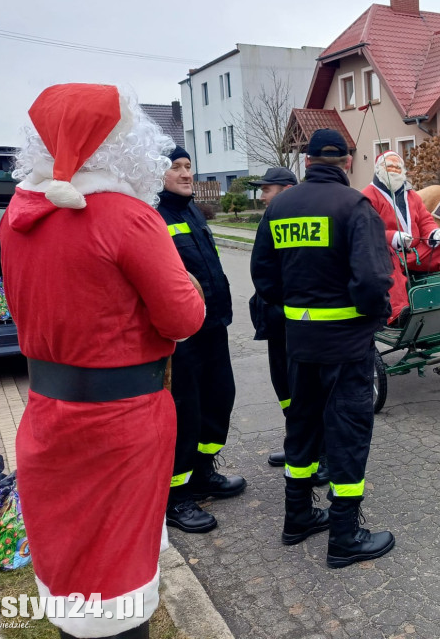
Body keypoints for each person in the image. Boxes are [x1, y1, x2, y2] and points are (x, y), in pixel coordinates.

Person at [0, 83, 206, 639]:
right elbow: (184, 318)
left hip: (47, 415)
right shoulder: (129, 218)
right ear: (122, 143)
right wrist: (189, 285)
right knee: (117, 581)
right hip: (121, 424)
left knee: (72, 569)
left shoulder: (19, 216)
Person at [250, 128, 396, 568]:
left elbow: (264, 277)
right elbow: (372, 282)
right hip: (347, 346)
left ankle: (297, 518)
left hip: (299, 345)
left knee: (303, 429)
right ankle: (345, 535)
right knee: (347, 435)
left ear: (308, 161)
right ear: (347, 162)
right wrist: (373, 317)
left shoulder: (279, 208)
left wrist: (296, 310)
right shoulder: (355, 207)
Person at [158, 146, 246, 534]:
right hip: (181, 337)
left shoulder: (193, 211)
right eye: (175, 167)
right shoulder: (153, 217)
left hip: (213, 325)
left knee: (218, 398)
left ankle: (203, 472)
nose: (185, 173)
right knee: (185, 412)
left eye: (188, 166)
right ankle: (176, 498)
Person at [248, 167, 328, 482]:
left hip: (295, 324)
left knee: (307, 392)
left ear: (284, 189)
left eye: (267, 189)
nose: (262, 195)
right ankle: (298, 446)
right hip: (275, 323)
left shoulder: (300, 222)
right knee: (286, 391)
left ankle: (320, 453)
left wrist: (285, 307)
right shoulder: (273, 219)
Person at [361, 151, 440, 325]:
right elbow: (367, 231)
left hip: (416, 252)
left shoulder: (411, 195)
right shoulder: (368, 196)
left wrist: (434, 233)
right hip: (390, 254)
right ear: (379, 169)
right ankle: (398, 313)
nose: (394, 170)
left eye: (398, 167)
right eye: (389, 166)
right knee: (387, 255)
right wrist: (393, 237)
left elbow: (425, 220)